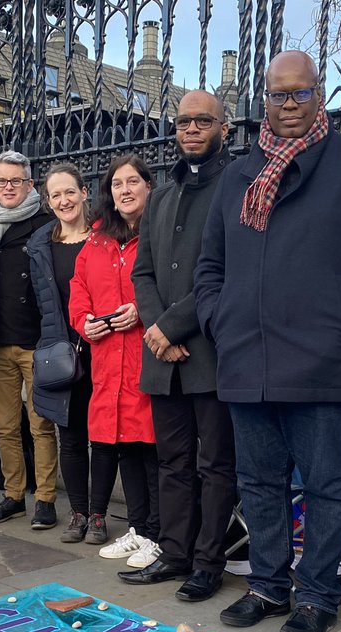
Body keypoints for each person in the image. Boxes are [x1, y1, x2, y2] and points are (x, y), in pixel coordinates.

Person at [194, 50, 341, 632]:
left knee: (325, 485)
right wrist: (220, 318)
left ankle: (317, 594)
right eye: (277, 95)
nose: (288, 105)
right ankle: (267, 585)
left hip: (324, 359)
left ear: (320, 94)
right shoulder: (240, 175)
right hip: (247, 358)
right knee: (260, 483)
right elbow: (210, 264)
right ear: (262, 100)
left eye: (300, 93)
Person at [119, 90, 237, 602]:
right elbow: (143, 271)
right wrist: (158, 331)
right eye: (184, 121)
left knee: (214, 465)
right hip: (162, 356)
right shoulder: (162, 196)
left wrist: (175, 328)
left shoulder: (236, 185)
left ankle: (209, 562)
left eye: (203, 121)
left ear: (223, 129)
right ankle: (174, 551)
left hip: (208, 351)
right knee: (172, 461)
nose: (191, 129)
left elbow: (230, 271)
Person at [68, 154, 159, 563]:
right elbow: (79, 287)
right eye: (117, 184)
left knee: (151, 448)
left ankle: (157, 531)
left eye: (132, 182)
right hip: (108, 360)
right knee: (123, 446)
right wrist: (84, 322)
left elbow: (170, 282)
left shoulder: (158, 231)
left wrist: (141, 308)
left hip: (148, 355)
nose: (124, 190)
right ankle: (139, 528)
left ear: (148, 186)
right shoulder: (98, 240)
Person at [0, 150, 59, 529]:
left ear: (30, 185)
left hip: (36, 341)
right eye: (2, 181)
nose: (9, 188)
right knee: (7, 426)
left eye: (17, 181)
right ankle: (13, 495)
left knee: (40, 424)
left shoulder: (46, 224)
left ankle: (44, 499)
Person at [28, 163, 94, 542]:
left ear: (85, 192)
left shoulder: (104, 236)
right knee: (69, 435)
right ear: (48, 201)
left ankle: (98, 514)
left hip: (100, 346)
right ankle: (79, 513)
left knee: (102, 439)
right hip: (61, 351)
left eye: (70, 191)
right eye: (56, 195)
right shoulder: (40, 244)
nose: (64, 200)